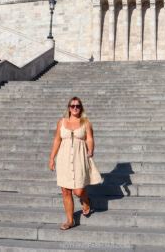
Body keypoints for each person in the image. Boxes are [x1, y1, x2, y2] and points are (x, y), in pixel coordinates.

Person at [49, 96, 101, 230]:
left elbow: (89, 138)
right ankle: (70, 220)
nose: (75, 108)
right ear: (69, 108)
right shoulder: (61, 122)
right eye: (72, 106)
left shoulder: (86, 122)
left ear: (81, 107)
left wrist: (91, 150)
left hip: (79, 157)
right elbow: (57, 140)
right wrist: (52, 158)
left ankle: (87, 201)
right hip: (63, 159)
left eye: (77, 106)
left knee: (78, 191)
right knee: (66, 191)